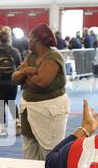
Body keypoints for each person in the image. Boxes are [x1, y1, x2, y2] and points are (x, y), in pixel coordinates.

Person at [12, 24, 70, 160]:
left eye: (30, 37)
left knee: (49, 152)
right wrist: (27, 71)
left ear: (37, 40)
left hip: (49, 112)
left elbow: (42, 83)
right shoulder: (31, 56)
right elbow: (14, 78)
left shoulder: (53, 56)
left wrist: (25, 76)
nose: (28, 41)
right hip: (29, 110)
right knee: (29, 150)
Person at [0, 30, 22, 136]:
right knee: (11, 102)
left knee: (0, 104)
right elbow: (19, 64)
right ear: (9, 39)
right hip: (12, 81)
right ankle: (17, 123)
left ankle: (3, 128)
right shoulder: (15, 51)